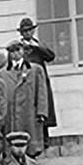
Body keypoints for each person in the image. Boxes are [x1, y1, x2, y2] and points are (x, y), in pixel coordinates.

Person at [0, 40, 49, 157]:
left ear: (23, 51)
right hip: (11, 116)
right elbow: (0, 97)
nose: (15, 54)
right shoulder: (2, 74)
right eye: (12, 51)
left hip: (29, 114)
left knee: (30, 147)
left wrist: (42, 112)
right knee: (12, 147)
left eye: (18, 50)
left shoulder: (35, 70)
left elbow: (41, 92)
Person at [18, 17, 58, 145]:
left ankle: (45, 138)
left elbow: (51, 56)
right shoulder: (19, 47)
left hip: (40, 81)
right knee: (29, 110)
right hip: (26, 82)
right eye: (24, 31)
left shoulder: (38, 45)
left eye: (29, 31)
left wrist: (37, 46)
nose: (27, 33)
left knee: (43, 107)